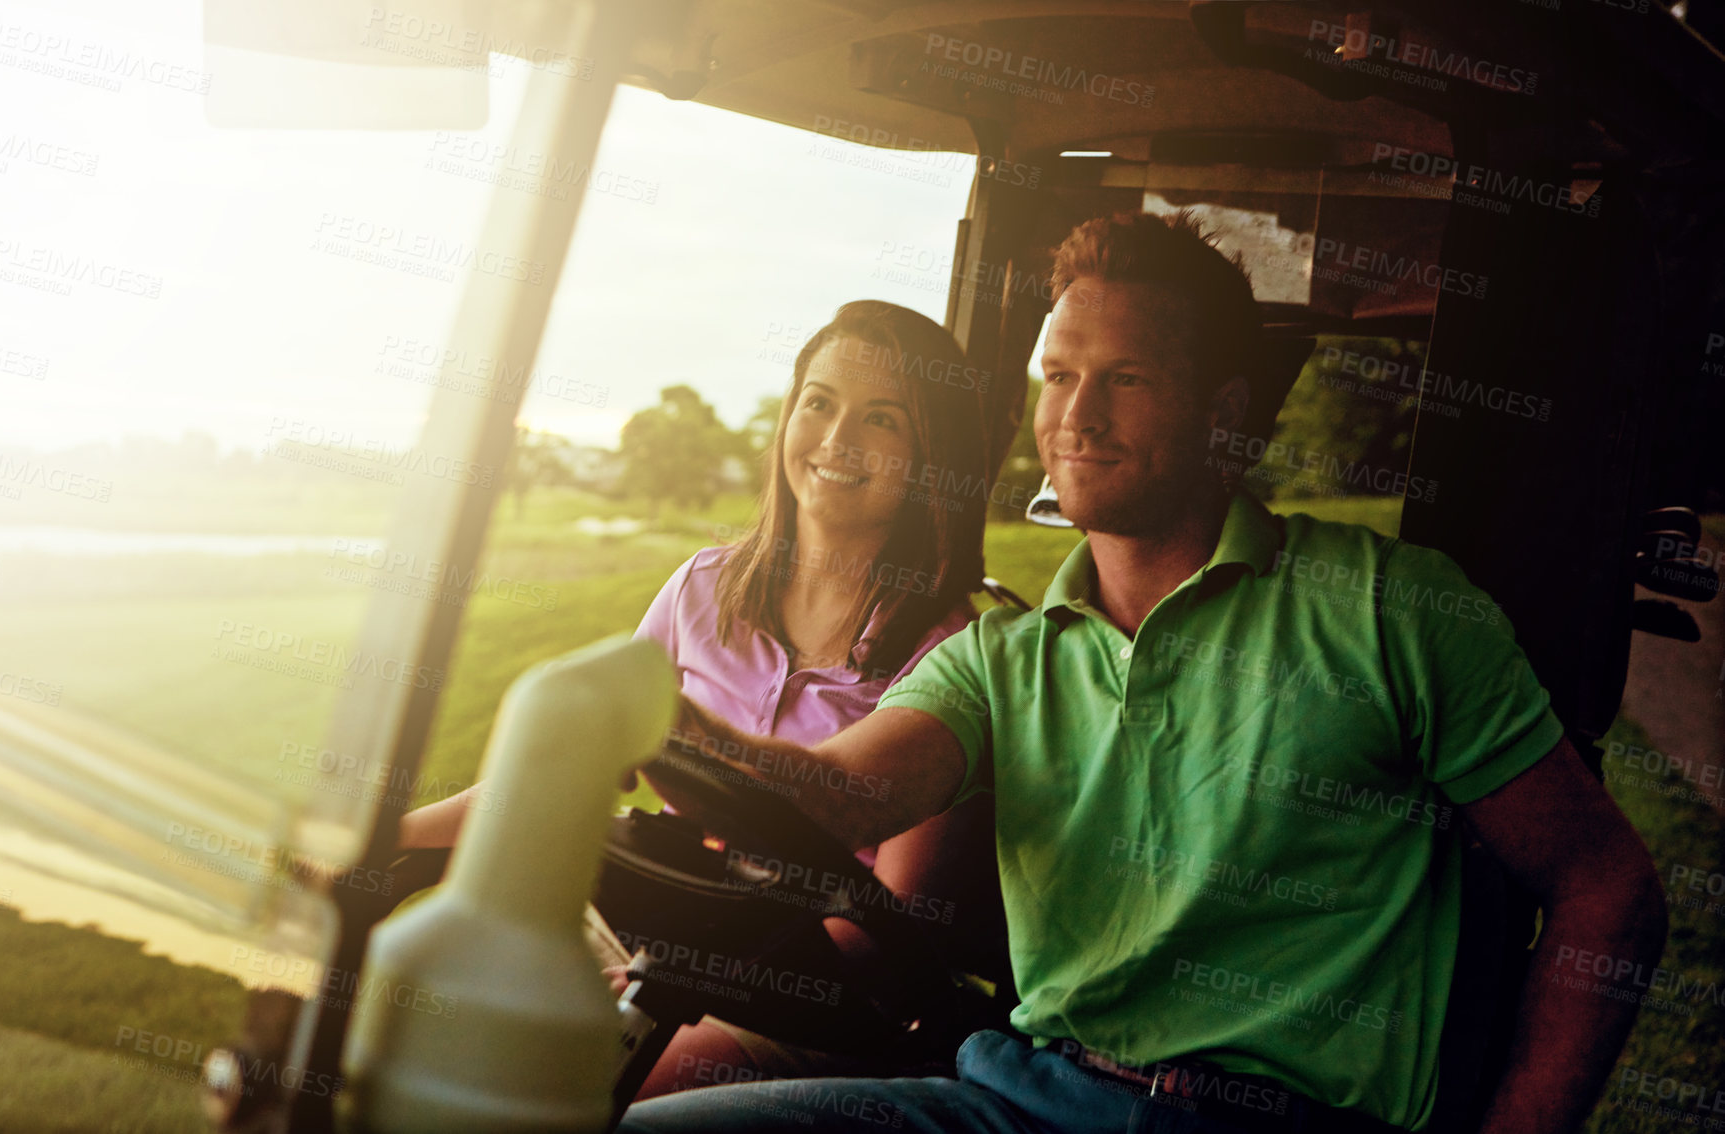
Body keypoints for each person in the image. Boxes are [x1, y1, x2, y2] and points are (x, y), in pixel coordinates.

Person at [616, 213, 1668, 1134]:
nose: (1077, 415)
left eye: (1126, 379)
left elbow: (1604, 887)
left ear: (1222, 409)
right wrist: (649, 720)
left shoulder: (1391, 609)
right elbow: (837, 789)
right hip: (1024, 1099)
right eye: (1060, 377)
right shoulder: (1003, 657)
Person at [398, 299, 1008, 1097]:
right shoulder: (701, 589)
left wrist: (688, 984)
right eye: (819, 403)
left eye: (882, 420)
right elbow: (565, 772)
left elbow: (887, 936)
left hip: (803, 1011)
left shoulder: (954, 658)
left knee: (562, 1084)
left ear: (932, 455)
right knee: (407, 1015)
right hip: (650, 943)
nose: (835, 440)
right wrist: (388, 839)